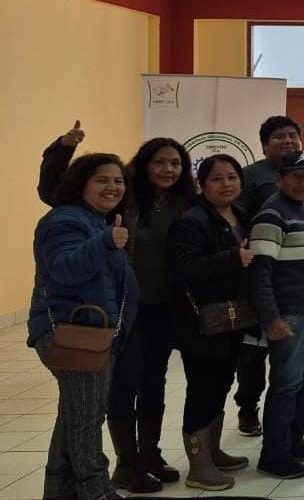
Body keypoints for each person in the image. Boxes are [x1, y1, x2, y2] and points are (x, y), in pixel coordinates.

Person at [36, 124, 192, 492]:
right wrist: (62, 149)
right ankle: (116, 472)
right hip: (101, 321)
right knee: (104, 402)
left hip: (154, 309)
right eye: (159, 162)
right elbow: (55, 195)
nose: (168, 169)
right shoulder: (111, 208)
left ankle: (143, 458)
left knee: (142, 388)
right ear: (144, 165)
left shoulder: (185, 203)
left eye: (175, 163)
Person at [30, 152, 137, 500]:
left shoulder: (96, 220)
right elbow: (65, 268)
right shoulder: (63, 221)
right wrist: (105, 242)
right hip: (73, 337)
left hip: (92, 335)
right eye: (101, 180)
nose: (112, 187)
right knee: (86, 422)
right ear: (81, 184)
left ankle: (59, 492)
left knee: (73, 417)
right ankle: (96, 492)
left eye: (118, 181)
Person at [235, 116, 304, 435]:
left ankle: (295, 429)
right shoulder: (251, 179)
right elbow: (236, 222)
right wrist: (270, 313)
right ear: (265, 145)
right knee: (259, 360)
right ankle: (250, 409)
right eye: (279, 136)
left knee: (300, 368)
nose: (288, 140)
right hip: (270, 283)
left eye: (293, 135)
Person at [167, 155, 255, 490]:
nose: (226, 184)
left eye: (232, 177)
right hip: (201, 321)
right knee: (203, 389)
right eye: (217, 179)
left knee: (221, 383)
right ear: (202, 185)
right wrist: (232, 258)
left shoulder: (241, 215)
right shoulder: (192, 221)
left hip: (233, 318)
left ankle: (213, 451)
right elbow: (185, 268)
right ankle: (198, 466)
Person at [249, 152, 304, 479]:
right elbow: (260, 274)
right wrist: (271, 319)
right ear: (280, 178)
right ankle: (274, 454)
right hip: (288, 314)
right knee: (286, 384)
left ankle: (295, 441)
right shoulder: (271, 215)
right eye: (297, 177)